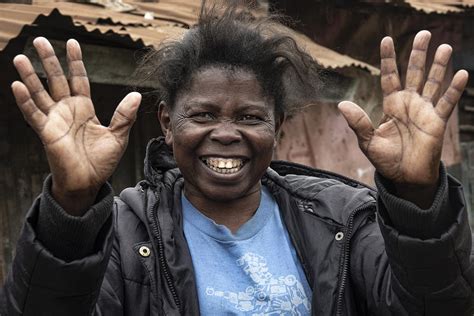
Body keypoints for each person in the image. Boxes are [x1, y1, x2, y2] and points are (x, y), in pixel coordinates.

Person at [1, 4, 473, 316]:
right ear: (166, 122)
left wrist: (417, 195)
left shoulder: (345, 217)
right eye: (203, 114)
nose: (226, 134)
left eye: (249, 116)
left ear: (278, 126)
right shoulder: (125, 230)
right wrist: (73, 205)